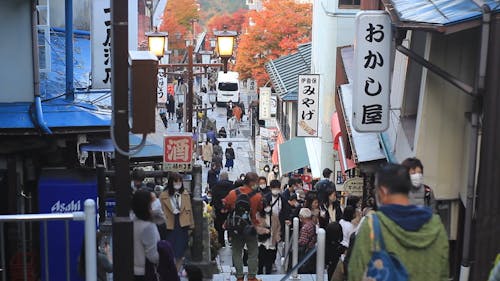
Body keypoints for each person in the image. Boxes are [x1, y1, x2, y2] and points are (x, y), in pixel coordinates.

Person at [348, 164, 449, 281]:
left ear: (383, 191)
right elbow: (443, 274)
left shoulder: (372, 225)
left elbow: (356, 273)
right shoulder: (436, 227)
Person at [222, 172, 263, 281]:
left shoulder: (232, 193)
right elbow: (260, 209)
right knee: (253, 252)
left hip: (236, 228)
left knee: (236, 252)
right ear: (252, 182)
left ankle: (239, 276)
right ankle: (251, 277)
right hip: (251, 227)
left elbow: (225, 205)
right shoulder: (257, 196)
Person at [160, 173, 195, 270]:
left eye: (180, 181)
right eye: (176, 181)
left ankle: (176, 272)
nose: (178, 183)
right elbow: (159, 211)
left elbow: (190, 211)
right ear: (171, 182)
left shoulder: (185, 194)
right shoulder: (163, 195)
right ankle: (170, 271)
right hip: (169, 225)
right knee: (169, 250)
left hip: (182, 225)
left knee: (180, 252)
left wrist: (191, 225)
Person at [131, 190, 160, 281]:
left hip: (133, 268)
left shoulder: (132, 219)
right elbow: (153, 256)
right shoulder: (148, 227)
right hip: (145, 271)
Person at [255, 198, 281, 274]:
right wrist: (263, 230)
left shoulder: (274, 215)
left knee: (269, 261)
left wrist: (277, 235)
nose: (268, 208)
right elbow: (255, 227)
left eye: (269, 206)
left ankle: (268, 274)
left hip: (272, 241)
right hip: (261, 241)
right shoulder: (258, 215)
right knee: (260, 261)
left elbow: (278, 226)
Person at [212, 172, 235, 247]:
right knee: (230, 224)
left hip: (219, 210)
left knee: (219, 226)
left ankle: (221, 242)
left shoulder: (215, 187)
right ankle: (230, 239)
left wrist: (219, 208)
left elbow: (214, 200)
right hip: (230, 210)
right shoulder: (232, 186)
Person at [297, 208, 316, 274]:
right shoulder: (312, 224)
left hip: (306, 251)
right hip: (312, 249)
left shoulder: (305, 227)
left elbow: (302, 242)